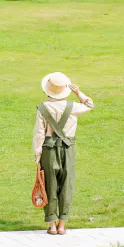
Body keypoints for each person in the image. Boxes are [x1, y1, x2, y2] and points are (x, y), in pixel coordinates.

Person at [33, 72, 94, 235]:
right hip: (68, 149)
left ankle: (52, 226)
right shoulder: (73, 106)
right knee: (66, 185)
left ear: (48, 90)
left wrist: (37, 155)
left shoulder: (43, 108)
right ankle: (62, 225)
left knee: (49, 185)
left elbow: (39, 133)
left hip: (49, 150)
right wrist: (79, 92)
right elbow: (89, 105)